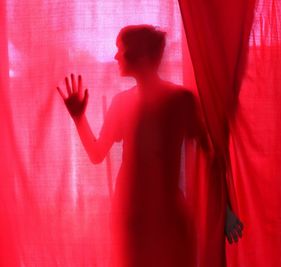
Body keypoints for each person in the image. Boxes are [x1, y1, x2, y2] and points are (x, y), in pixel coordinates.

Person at [57, 25, 243, 267]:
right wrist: (79, 118)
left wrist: (224, 211)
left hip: (166, 222)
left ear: (140, 55)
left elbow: (210, 156)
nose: (115, 56)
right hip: (134, 222)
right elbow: (96, 153)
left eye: (120, 49)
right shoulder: (124, 103)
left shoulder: (180, 101)